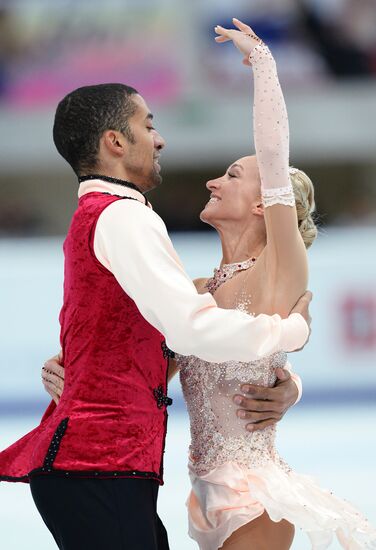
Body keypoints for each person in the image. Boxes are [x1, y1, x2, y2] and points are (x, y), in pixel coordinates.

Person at [40, 18, 376, 550]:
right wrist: (76, 373)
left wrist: (263, 66)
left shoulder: (281, 267)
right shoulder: (195, 288)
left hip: (254, 491)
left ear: (267, 202)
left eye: (234, 176)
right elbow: (152, 362)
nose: (213, 180)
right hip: (199, 489)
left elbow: (271, 155)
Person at [0, 66, 312, 550]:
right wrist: (290, 332)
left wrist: (289, 382)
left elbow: (170, 349)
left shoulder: (113, 215)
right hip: (103, 463)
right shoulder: (125, 218)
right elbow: (188, 337)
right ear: (115, 142)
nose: (160, 139)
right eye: (148, 125)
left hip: (147, 470)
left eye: (231, 175)